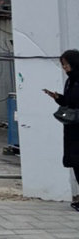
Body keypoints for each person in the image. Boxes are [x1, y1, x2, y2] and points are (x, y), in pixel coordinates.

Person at [45, 49, 79, 212]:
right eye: (63, 65)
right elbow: (69, 102)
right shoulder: (70, 81)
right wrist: (58, 98)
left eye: (66, 64)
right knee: (76, 163)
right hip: (72, 127)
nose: (65, 68)